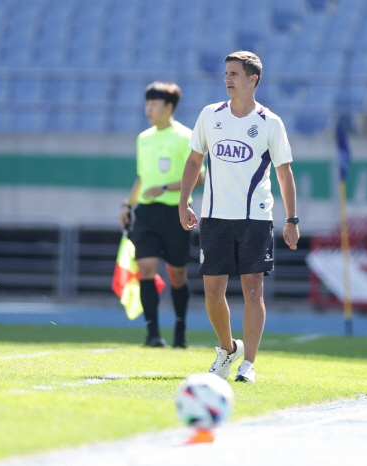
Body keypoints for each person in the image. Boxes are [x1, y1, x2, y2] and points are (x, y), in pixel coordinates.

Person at [178, 51, 299, 383]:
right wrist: (183, 202)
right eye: (226, 73)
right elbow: (193, 162)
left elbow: (285, 174)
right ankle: (227, 348)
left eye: (234, 73)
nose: (227, 78)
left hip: (255, 220)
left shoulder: (269, 123)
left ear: (252, 79)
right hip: (214, 218)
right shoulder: (210, 115)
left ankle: (249, 363)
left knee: (253, 290)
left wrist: (292, 219)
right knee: (213, 292)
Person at [120, 81, 205, 348]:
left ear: (169, 107)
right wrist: (127, 205)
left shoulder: (185, 137)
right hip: (146, 214)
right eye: (147, 104)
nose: (148, 109)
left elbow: (199, 177)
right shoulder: (143, 138)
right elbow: (142, 179)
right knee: (145, 268)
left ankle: (180, 330)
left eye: (154, 104)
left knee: (177, 275)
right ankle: (152, 334)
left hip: (176, 213)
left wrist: (166, 188)